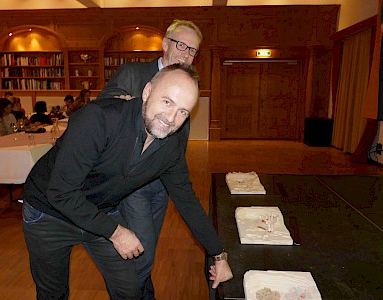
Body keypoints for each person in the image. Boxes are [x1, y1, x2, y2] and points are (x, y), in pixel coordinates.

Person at [22, 64, 233, 300]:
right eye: (167, 102)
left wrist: (219, 255)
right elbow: (60, 193)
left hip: (100, 211)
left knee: (129, 289)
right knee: (53, 294)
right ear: (147, 92)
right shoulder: (98, 119)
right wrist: (116, 233)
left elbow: (188, 202)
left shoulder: (171, 148)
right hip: (49, 213)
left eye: (183, 111)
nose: (172, 118)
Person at [97, 19, 203, 298]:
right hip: (133, 183)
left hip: (162, 184)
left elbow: (178, 137)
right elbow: (106, 108)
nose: (186, 54)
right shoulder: (133, 73)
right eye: (182, 45)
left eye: (193, 50)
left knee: (146, 248)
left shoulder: (186, 84)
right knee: (141, 253)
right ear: (165, 44)